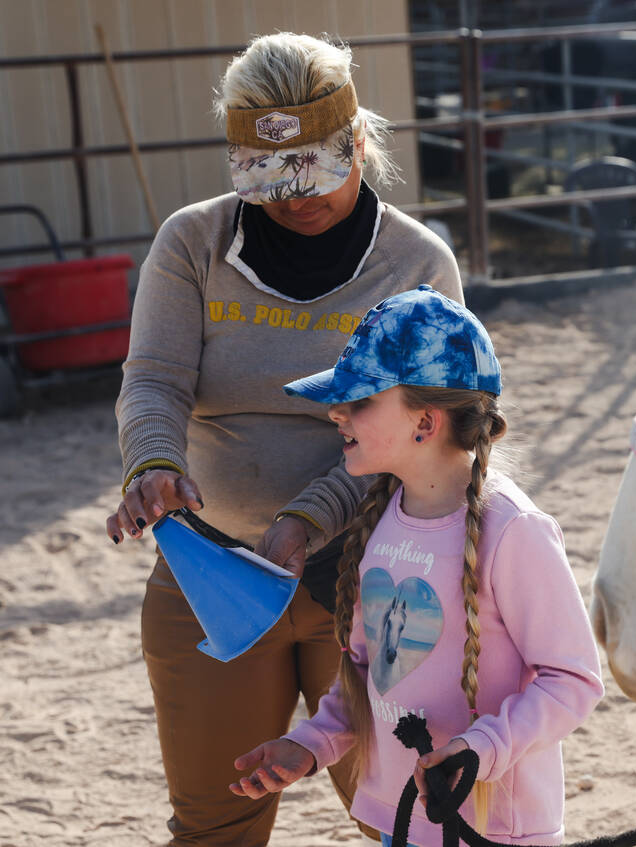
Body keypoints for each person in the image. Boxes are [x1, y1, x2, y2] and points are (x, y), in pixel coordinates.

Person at [105, 33, 463, 847]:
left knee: (407, 819)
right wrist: (154, 463)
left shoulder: (417, 264)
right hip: (211, 574)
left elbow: (416, 438)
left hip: (379, 580)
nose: (296, 200)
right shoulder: (192, 245)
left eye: (314, 174)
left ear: (359, 143)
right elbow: (154, 378)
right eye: (271, 180)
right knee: (214, 821)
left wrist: (307, 518)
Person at [227, 286, 604, 847]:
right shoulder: (381, 514)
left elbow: (572, 679)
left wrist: (483, 750)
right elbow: (366, 671)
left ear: (425, 424)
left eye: (360, 401)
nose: (336, 412)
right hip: (398, 822)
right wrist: (311, 743)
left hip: (494, 827)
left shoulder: (513, 531)